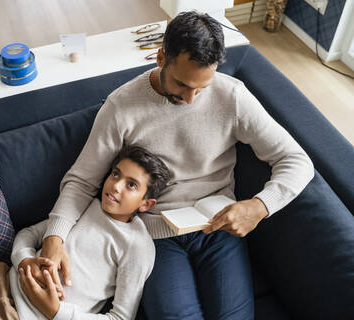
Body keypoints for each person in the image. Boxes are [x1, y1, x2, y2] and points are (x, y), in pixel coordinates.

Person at [39, 11, 314, 320]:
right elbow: (81, 181)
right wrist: (54, 237)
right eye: (182, 85)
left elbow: (297, 160)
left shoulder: (232, 97)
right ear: (160, 57)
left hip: (218, 225)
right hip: (156, 235)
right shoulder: (121, 107)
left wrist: (260, 206)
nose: (192, 99)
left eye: (202, 87)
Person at [0, 146, 170, 320]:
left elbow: (121, 317)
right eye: (116, 173)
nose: (115, 185)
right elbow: (29, 234)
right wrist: (25, 260)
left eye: (131, 185)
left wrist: (55, 311)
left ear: (146, 204)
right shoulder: (81, 205)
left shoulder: (137, 246)